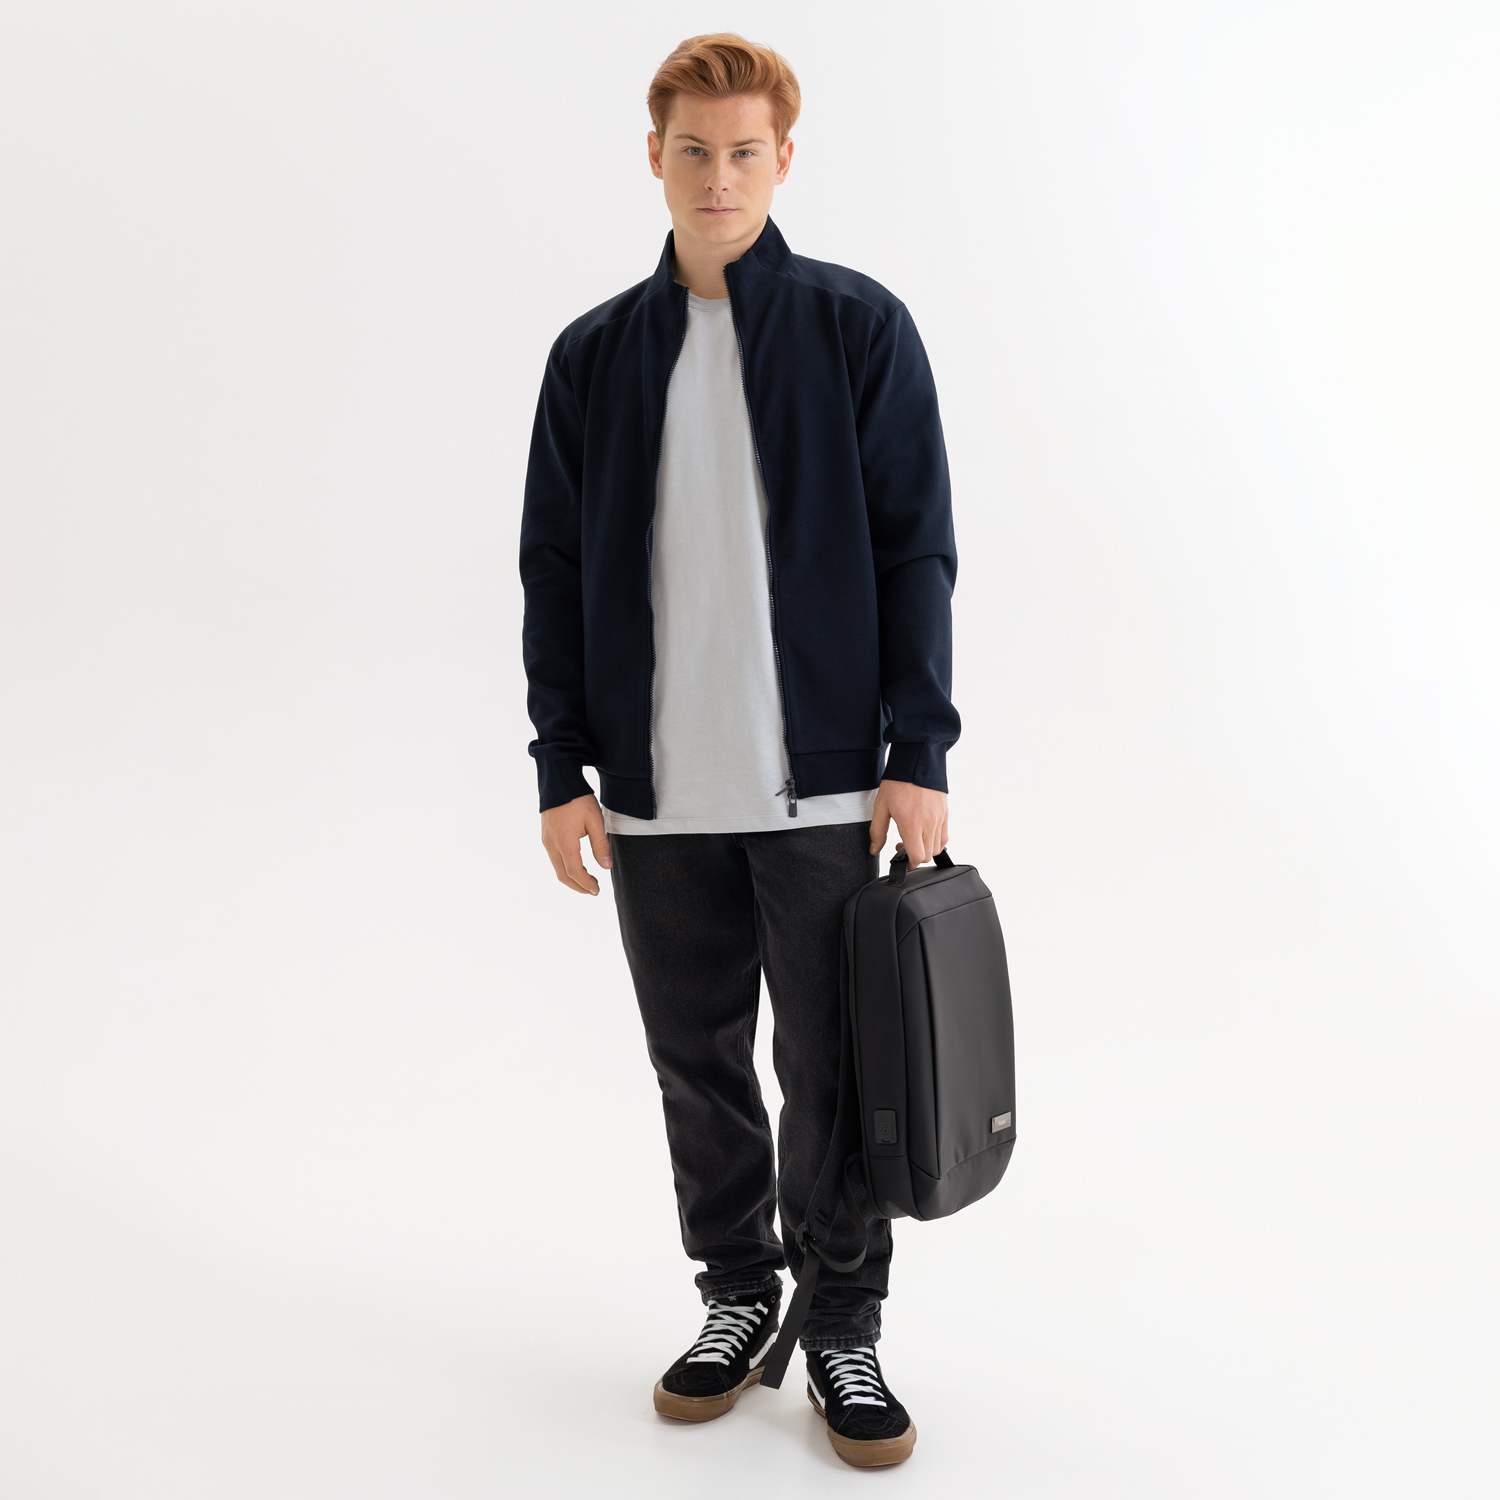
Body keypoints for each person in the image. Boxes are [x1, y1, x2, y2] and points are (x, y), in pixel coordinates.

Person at [519, 33, 959, 1469]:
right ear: (655, 157)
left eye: (746, 151)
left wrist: (919, 750)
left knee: (833, 1071)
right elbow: (552, 569)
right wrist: (563, 768)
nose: (720, 177)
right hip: (654, 794)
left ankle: (842, 1323)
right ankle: (736, 1294)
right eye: (695, 151)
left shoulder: (856, 328)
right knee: (695, 1065)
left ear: (784, 158)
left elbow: (916, 550)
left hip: (821, 782)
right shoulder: (593, 357)